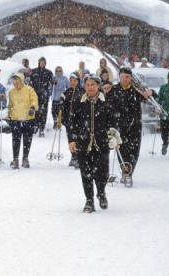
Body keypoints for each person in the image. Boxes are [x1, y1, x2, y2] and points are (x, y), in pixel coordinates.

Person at [68, 76, 122, 213]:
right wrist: (72, 140)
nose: (90, 87)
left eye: (93, 84)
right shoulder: (79, 102)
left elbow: (113, 121)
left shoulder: (106, 102)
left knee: (102, 173)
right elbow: (72, 123)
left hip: (102, 143)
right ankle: (89, 200)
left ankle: (101, 192)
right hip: (83, 143)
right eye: (87, 84)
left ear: (98, 86)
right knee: (86, 173)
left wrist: (113, 136)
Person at [106, 66, 153, 188]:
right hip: (119, 127)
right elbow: (105, 105)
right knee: (121, 150)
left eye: (127, 77)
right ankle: (125, 171)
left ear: (131, 78)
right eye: (122, 77)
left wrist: (150, 93)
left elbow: (151, 98)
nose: (125, 79)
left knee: (134, 151)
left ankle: (129, 173)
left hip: (135, 126)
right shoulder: (114, 90)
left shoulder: (136, 90)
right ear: (119, 77)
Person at [7, 72, 38, 169]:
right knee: (15, 141)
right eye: (14, 80)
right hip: (16, 120)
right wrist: (9, 116)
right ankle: (15, 160)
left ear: (21, 80)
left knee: (27, 140)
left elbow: (34, 100)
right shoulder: (11, 92)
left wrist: (33, 108)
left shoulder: (29, 90)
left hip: (28, 119)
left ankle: (25, 158)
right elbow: (10, 106)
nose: (15, 82)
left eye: (17, 80)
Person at [61, 73, 82, 168]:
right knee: (70, 139)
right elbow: (62, 104)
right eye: (71, 80)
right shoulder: (67, 92)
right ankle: (73, 156)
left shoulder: (82, 92)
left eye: (75, 80)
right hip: (68, 120)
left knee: (78, 139)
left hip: (79, 120)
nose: (73, 82)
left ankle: (78, 157)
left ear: (78, 81)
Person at [30, 57, 54, 138]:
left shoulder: (48, 72)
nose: (42, 63)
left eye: (44, 62)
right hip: (35, 94)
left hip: (44, 95)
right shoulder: (34, 71)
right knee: (36, 111)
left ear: (45, 63)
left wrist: (54, 82)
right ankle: (35, 126)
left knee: (43, 112)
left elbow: (52, 81)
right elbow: (29, 80)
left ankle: (42, 129)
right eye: (41, 62)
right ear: (38, 62)